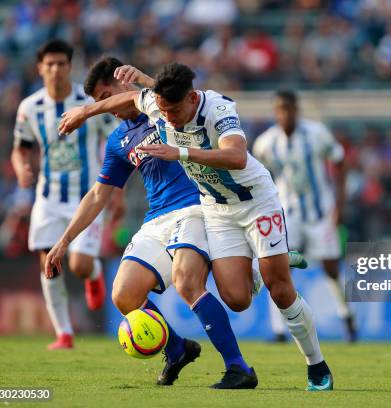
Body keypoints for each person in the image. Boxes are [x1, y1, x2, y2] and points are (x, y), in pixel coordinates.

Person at [57, 63, 334, 391]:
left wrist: (179, 151)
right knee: (231, 299)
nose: (169, 117)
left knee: (268, 288)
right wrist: (85, 112)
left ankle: (306, 366)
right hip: (203, 209)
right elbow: (100, 191)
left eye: (107, 96)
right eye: (163, 108)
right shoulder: (128, 130)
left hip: (225, 203)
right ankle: (178, 349)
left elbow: (237, 155)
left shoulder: (210, 108)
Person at [11, 39, 120, 350]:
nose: (56, 69)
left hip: (87, 195)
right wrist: (21, 169)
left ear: (70, 67)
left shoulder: (88, 104)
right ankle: (64, 333)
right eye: (50, 64)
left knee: (80, 265)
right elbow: (20, 149)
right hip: (48, 197)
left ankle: (94, 272)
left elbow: (113, 145)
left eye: (61, 63)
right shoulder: (30, 107)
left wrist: (119, 194)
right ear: (40, 68)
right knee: (49, 265)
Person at [253, 90, 357, 342]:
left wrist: (339, 205)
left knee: (331, 268)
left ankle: (346, 315)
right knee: (279, 267)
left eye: (289, 109)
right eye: (280, 110)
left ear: (297, 110)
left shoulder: (316, 133)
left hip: (320, 211)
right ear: (275, 112)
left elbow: (340, 161)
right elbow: (255, 177)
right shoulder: (265, 143)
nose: (285, 114)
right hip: (287, 214)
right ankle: (280, 329)